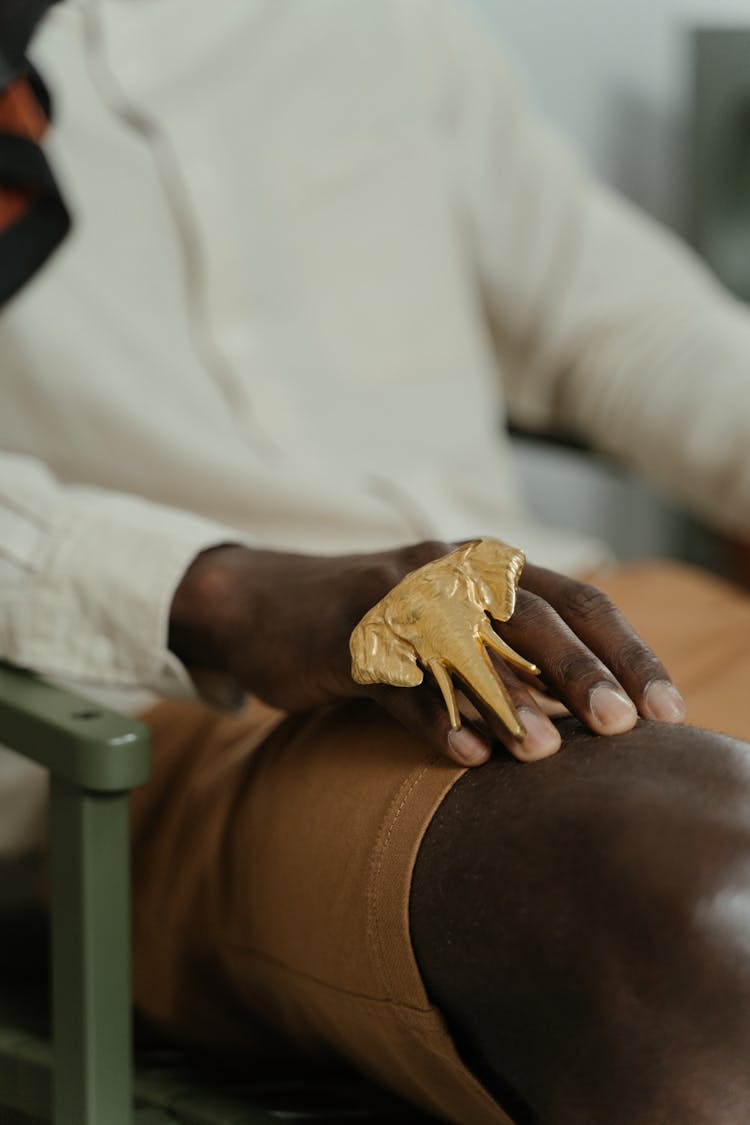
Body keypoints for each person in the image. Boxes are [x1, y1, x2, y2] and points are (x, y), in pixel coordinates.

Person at [3, 1, 750, 1121]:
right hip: (186, 716)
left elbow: (629, 330)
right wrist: (220, 589)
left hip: (578, 613)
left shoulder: (375, 22)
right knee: (706, 905)